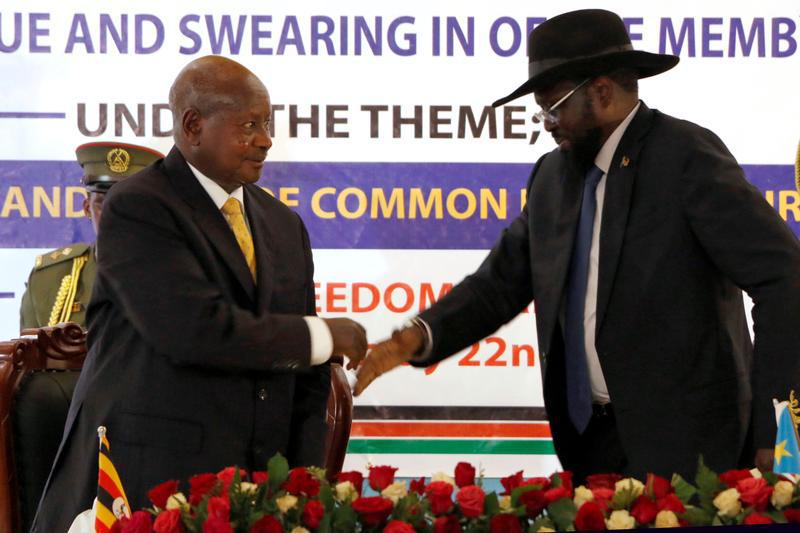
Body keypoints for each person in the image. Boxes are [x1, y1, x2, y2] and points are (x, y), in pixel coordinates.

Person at [354, 9, 800, 481]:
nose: (546, 123)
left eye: (554, 107)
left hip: (692, 449)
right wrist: (415, 338)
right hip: (591, 445)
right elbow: (498, 284)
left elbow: (783, 277)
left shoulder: (685, 156)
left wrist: (775, 426)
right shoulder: (553, 176)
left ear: (602, 92)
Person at [32, 56, 368, 532]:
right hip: (149, 490)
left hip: (258, 494)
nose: (266, 140)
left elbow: (308, 376)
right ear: (193, 126)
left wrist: (302, 479)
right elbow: (195, 331)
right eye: (249, 125)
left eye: (267, 124)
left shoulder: (284, 225)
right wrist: (323, 336)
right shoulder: (139, 206)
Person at [19, 142, 163, 330]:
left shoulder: (178, 276)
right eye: (103, 203)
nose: (115, 214)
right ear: (87, 209)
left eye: (129, 203)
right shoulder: (48, 280)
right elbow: (29, 349)